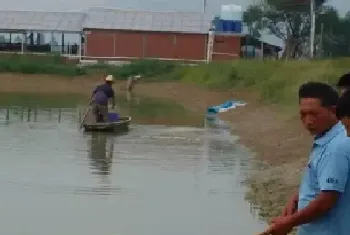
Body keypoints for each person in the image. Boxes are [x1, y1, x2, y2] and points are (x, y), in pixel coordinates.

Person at [259, 81, 350, 235]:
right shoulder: (325, 137)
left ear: (333, 111)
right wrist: (297, 198)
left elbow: (327, 199)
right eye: (303, 114)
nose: (308, 121)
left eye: (314, 114)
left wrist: (289, 222)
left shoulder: (336, 147)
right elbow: (321, 181)